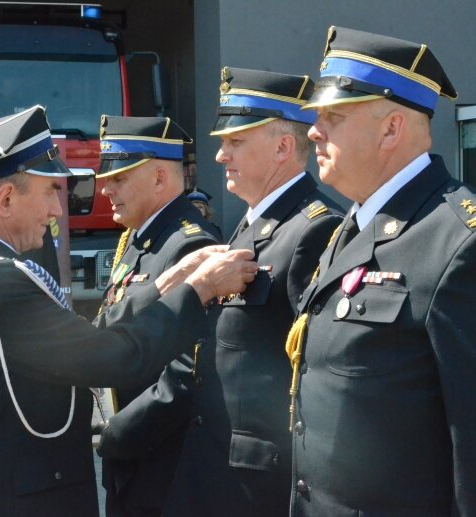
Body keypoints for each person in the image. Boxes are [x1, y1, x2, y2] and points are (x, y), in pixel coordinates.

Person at [0, 105, 258, 516]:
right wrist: (200, 288)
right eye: (49, 192)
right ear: (6, 199)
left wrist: (164, 286)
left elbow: (83, 337)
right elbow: (109, 356)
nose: (56, 212)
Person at [287, 26, 476, 515]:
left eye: (333, 116)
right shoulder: (350, 225)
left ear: (391, 129)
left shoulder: (459, 242)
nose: (313, 130)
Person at [163, 67, 344, 516]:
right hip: (212, 464)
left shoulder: (314, 228)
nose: (221, 156)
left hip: (258, 483)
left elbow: (315, 374)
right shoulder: (253, 221)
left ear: (284, 146)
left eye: (236, 142)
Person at [91, 115, 221, 517]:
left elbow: (189, 371)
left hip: (163, 462)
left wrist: (119, 431)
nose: (105, 189)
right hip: (132, 458)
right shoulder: (139, 239)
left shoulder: (188, 246)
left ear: (161, 178)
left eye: (119, 178)